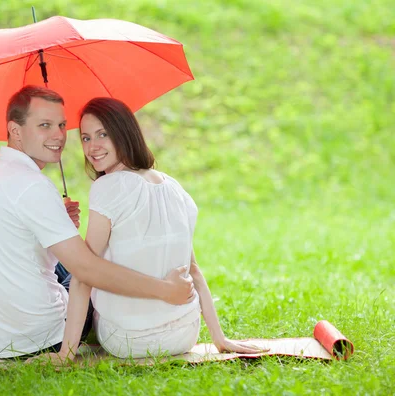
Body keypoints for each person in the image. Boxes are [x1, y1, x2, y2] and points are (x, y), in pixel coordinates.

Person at [0, 86, 196, 359]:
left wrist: (59, 221)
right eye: (44, 125)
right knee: (99, 263)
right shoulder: (33, 186)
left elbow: (14, 244)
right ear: (15, 130)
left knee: (70, 258)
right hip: (38, 337)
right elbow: (86, 270)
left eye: (61, 125)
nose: (58, 136)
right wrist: (167, 290)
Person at [44, 97, 265, 361]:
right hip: (184, 334)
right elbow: (193, 268)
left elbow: (84, 277)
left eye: (103, 134)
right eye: (86, 138)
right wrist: (219, 338)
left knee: (73, 268)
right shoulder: (174, 187)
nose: (93, 147)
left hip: (128, 340)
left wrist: (65, 354)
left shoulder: (108, 187)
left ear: (123, 134)